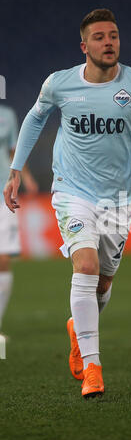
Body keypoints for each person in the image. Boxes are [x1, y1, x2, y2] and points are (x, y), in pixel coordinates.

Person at [3, 8, 131, 399]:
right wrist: (15, 169)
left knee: (105, 281)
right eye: (99, 37)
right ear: (84, 46)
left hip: (118, 198)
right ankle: (93, 367)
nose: (108, 42)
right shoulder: (59, 84)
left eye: (113, 35)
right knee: (87, 265)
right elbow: (33, 119)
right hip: (72, 191)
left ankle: (78, 333)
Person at [0, 104, 38, 336]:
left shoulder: (7, 115)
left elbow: (15, 151)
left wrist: (28, 177)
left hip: (2, 194)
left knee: (2, 259)